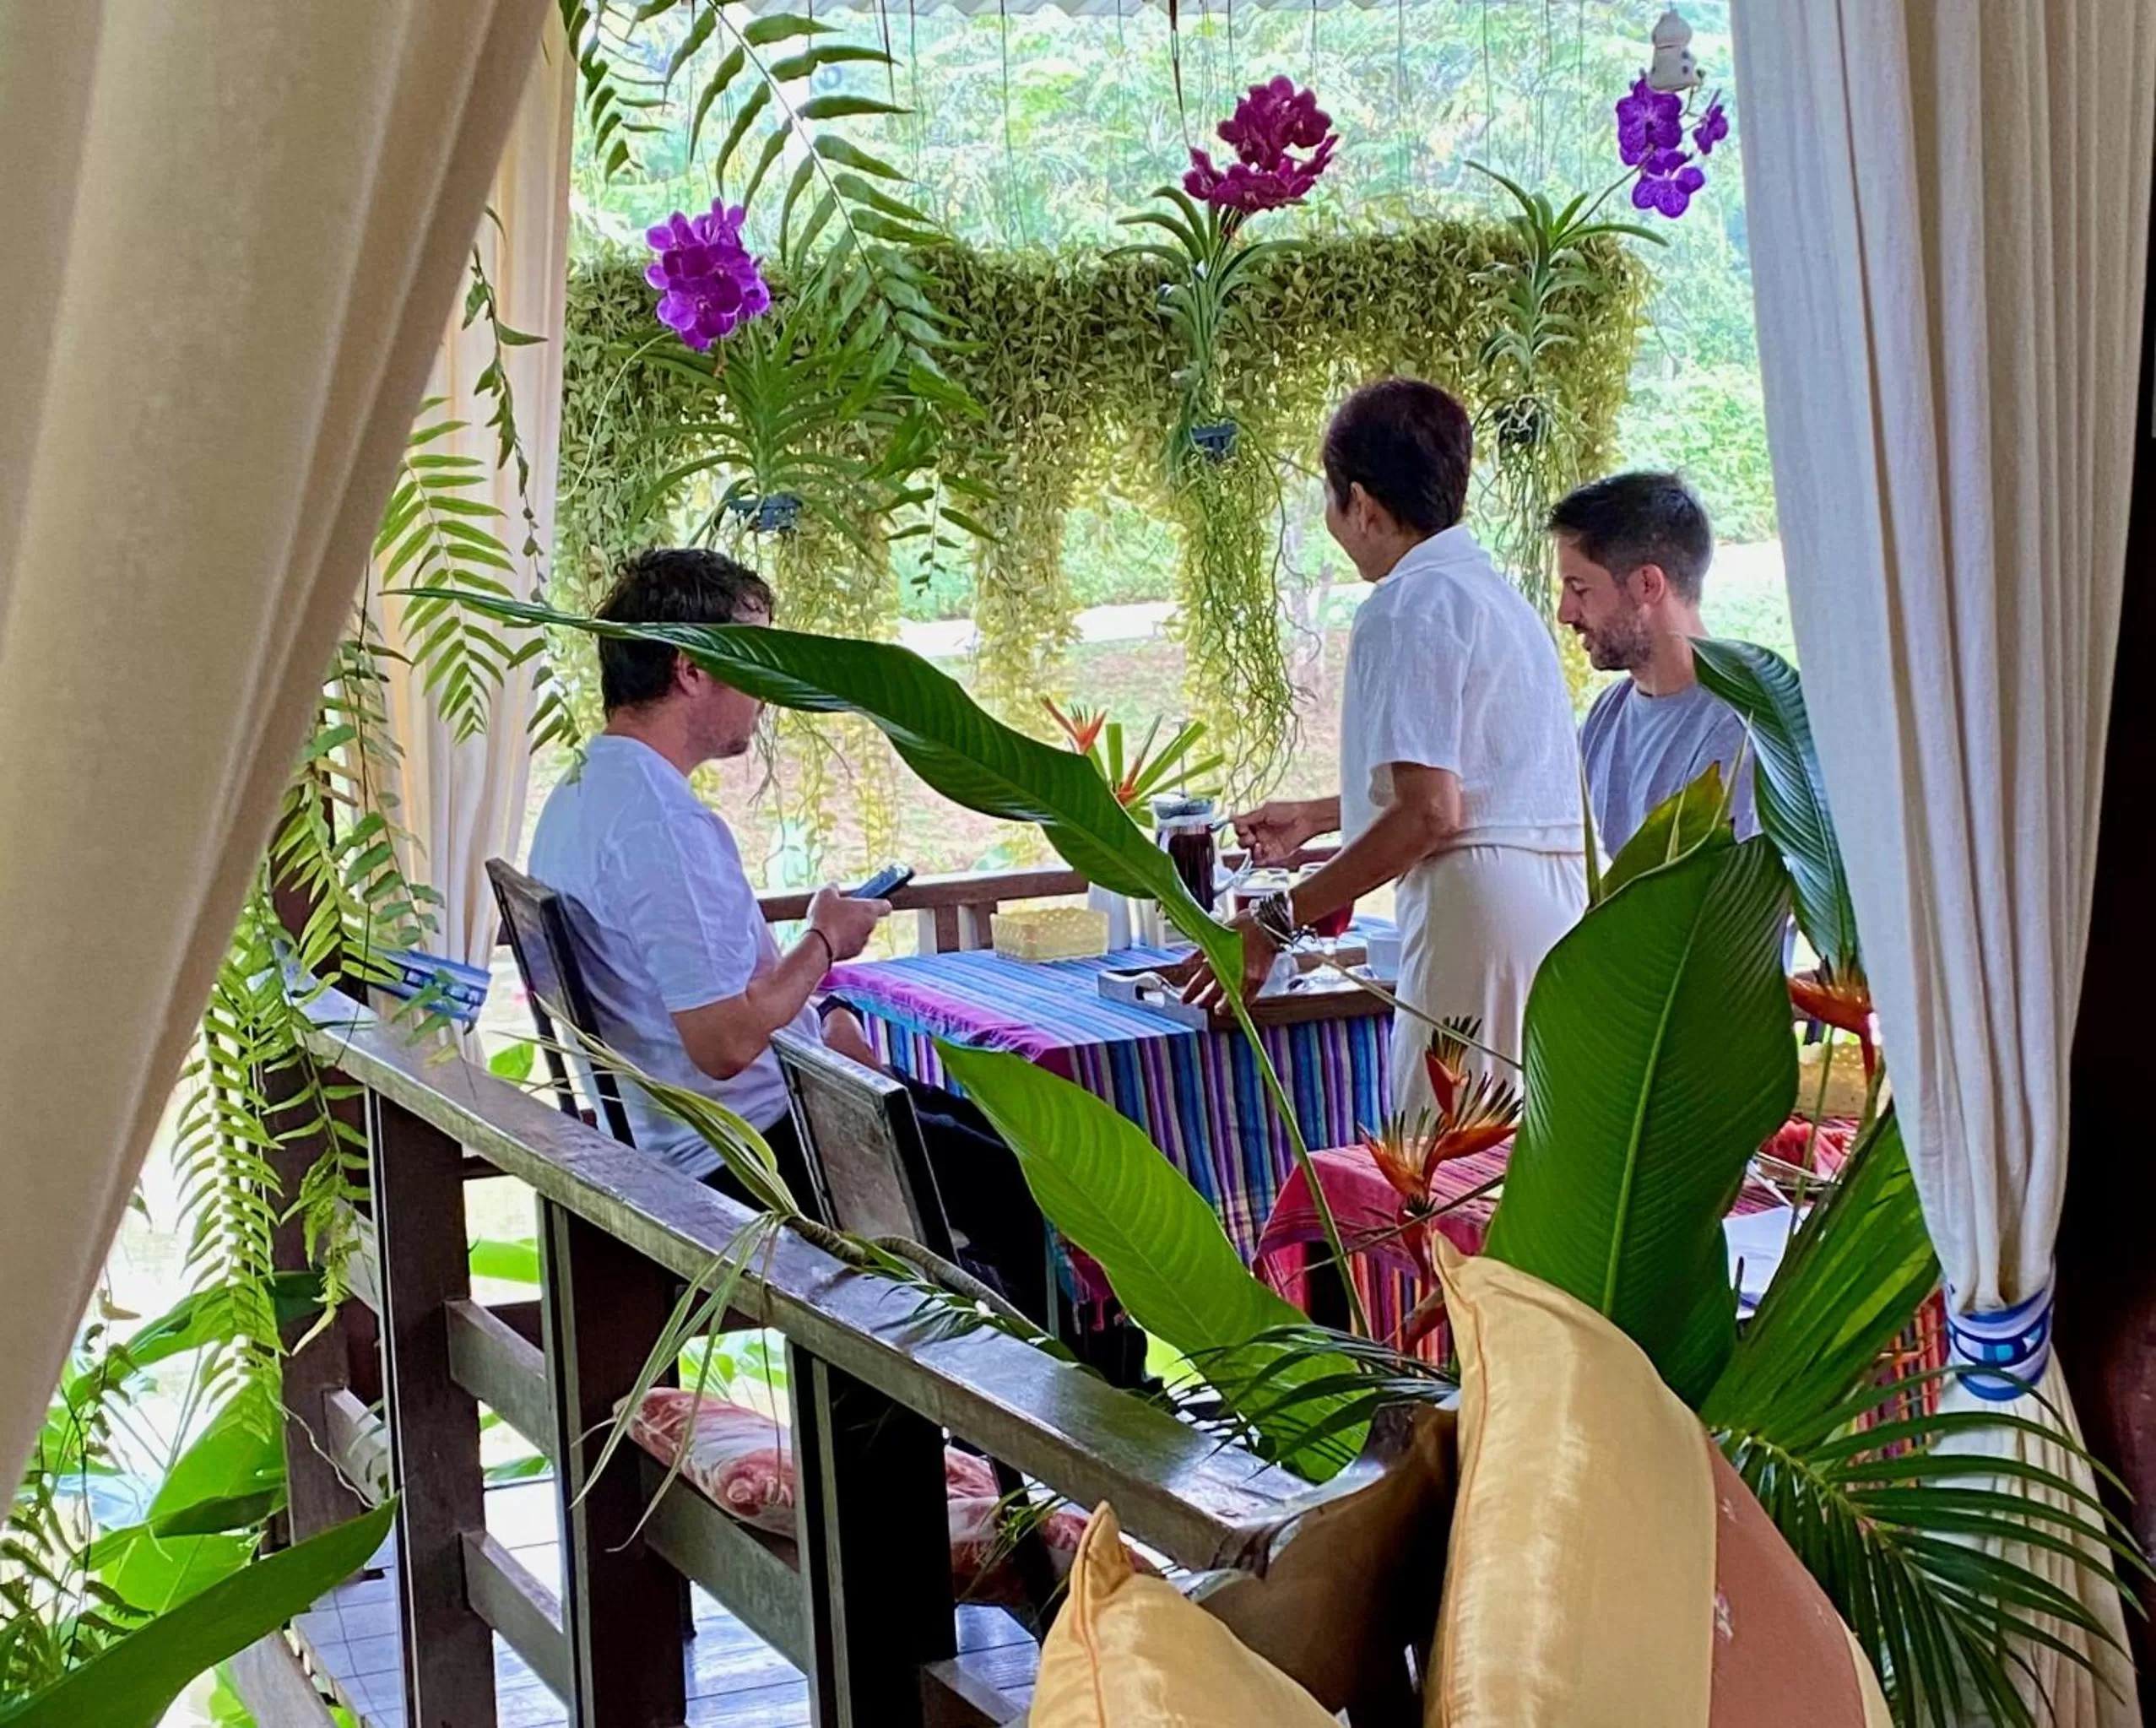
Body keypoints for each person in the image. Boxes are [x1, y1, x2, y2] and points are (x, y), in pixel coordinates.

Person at [526, 547, 1050, 1325]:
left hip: (704, 1133)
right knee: (1021, 1185)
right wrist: (825, 944)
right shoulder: (657, 823)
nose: (769, 691)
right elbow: (723, 1041)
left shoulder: (583, 793)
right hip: (747, 1158)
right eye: (760, 659)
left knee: (994, 1139)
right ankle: (1092, 1427)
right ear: (690, 667)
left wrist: (818, 1009)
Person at [1190, 378, 1587, 1108]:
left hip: (1477, 912)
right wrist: (1317, 813)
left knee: (1445, 1164)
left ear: (1364, 505)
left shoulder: (1407, 605)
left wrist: (1277, 920)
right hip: (1555, 910)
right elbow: (1467, 786)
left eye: (1331, 499)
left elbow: (1434, 812)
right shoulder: (1494, 596)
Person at [1552, 471, 1757, 855]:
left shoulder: (1738, 728)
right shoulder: (1605, 716)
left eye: (1579, 589)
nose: (1565, 613)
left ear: (1648, 584)